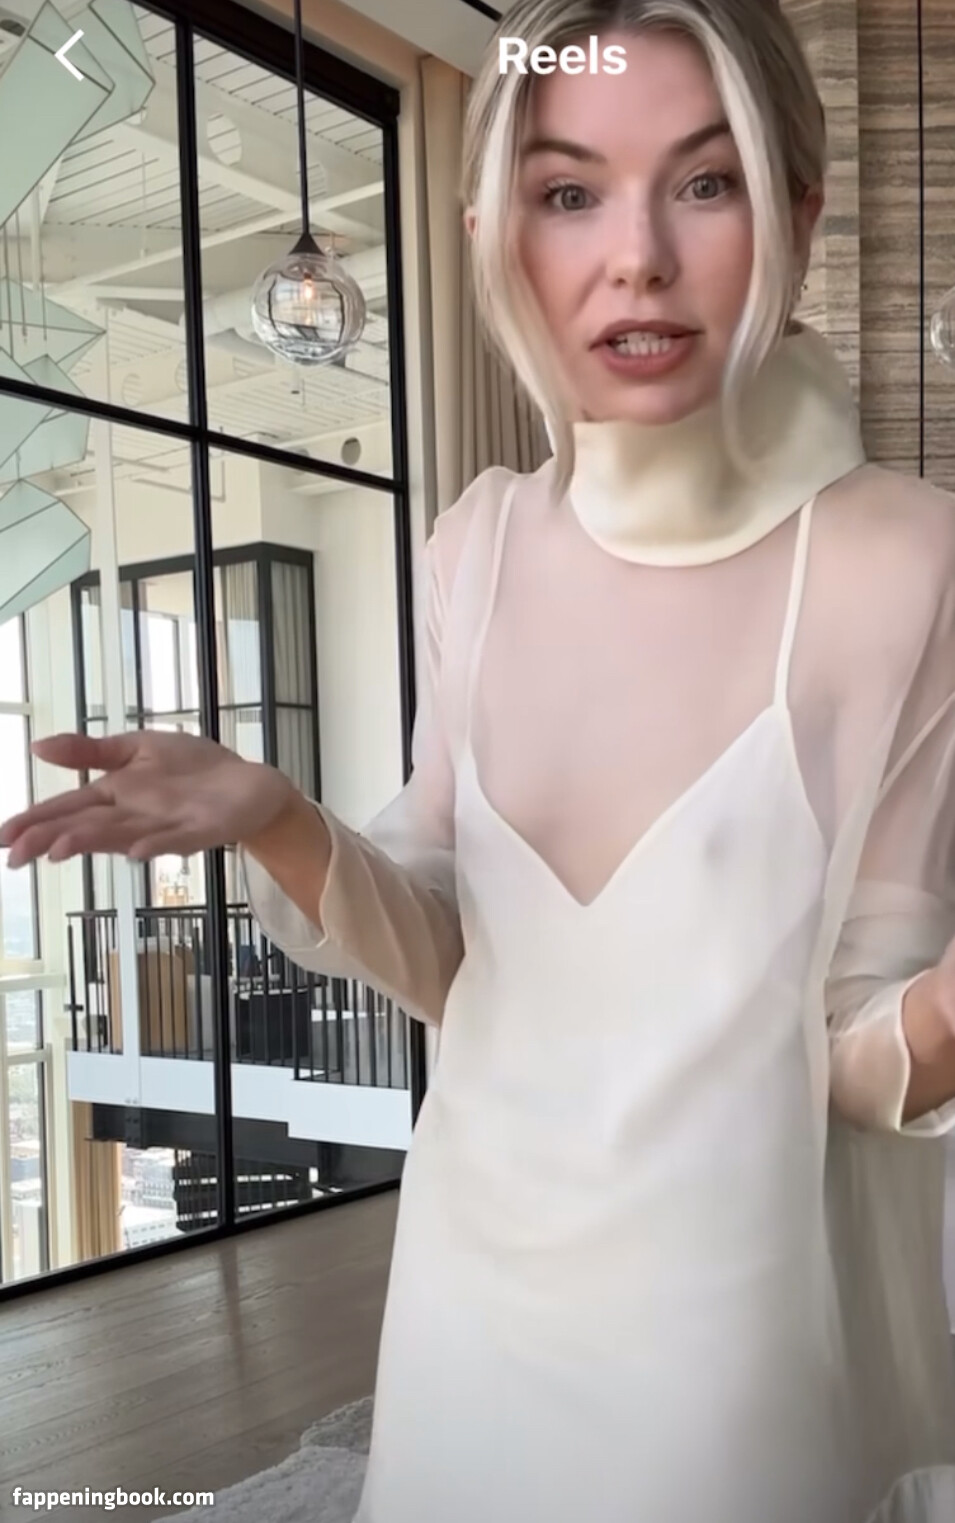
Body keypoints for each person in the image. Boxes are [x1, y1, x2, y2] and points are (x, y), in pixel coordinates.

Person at [5, 0, 955, 1517]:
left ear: (799, 208)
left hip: (726, 1349)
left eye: (705, 182)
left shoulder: (907, 561)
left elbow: (856, 1057)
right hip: (467, 1303)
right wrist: (278, 818)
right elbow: (455, 956)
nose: (635, 257)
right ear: (492, 234)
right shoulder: (478, 546)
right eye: (570, 191)